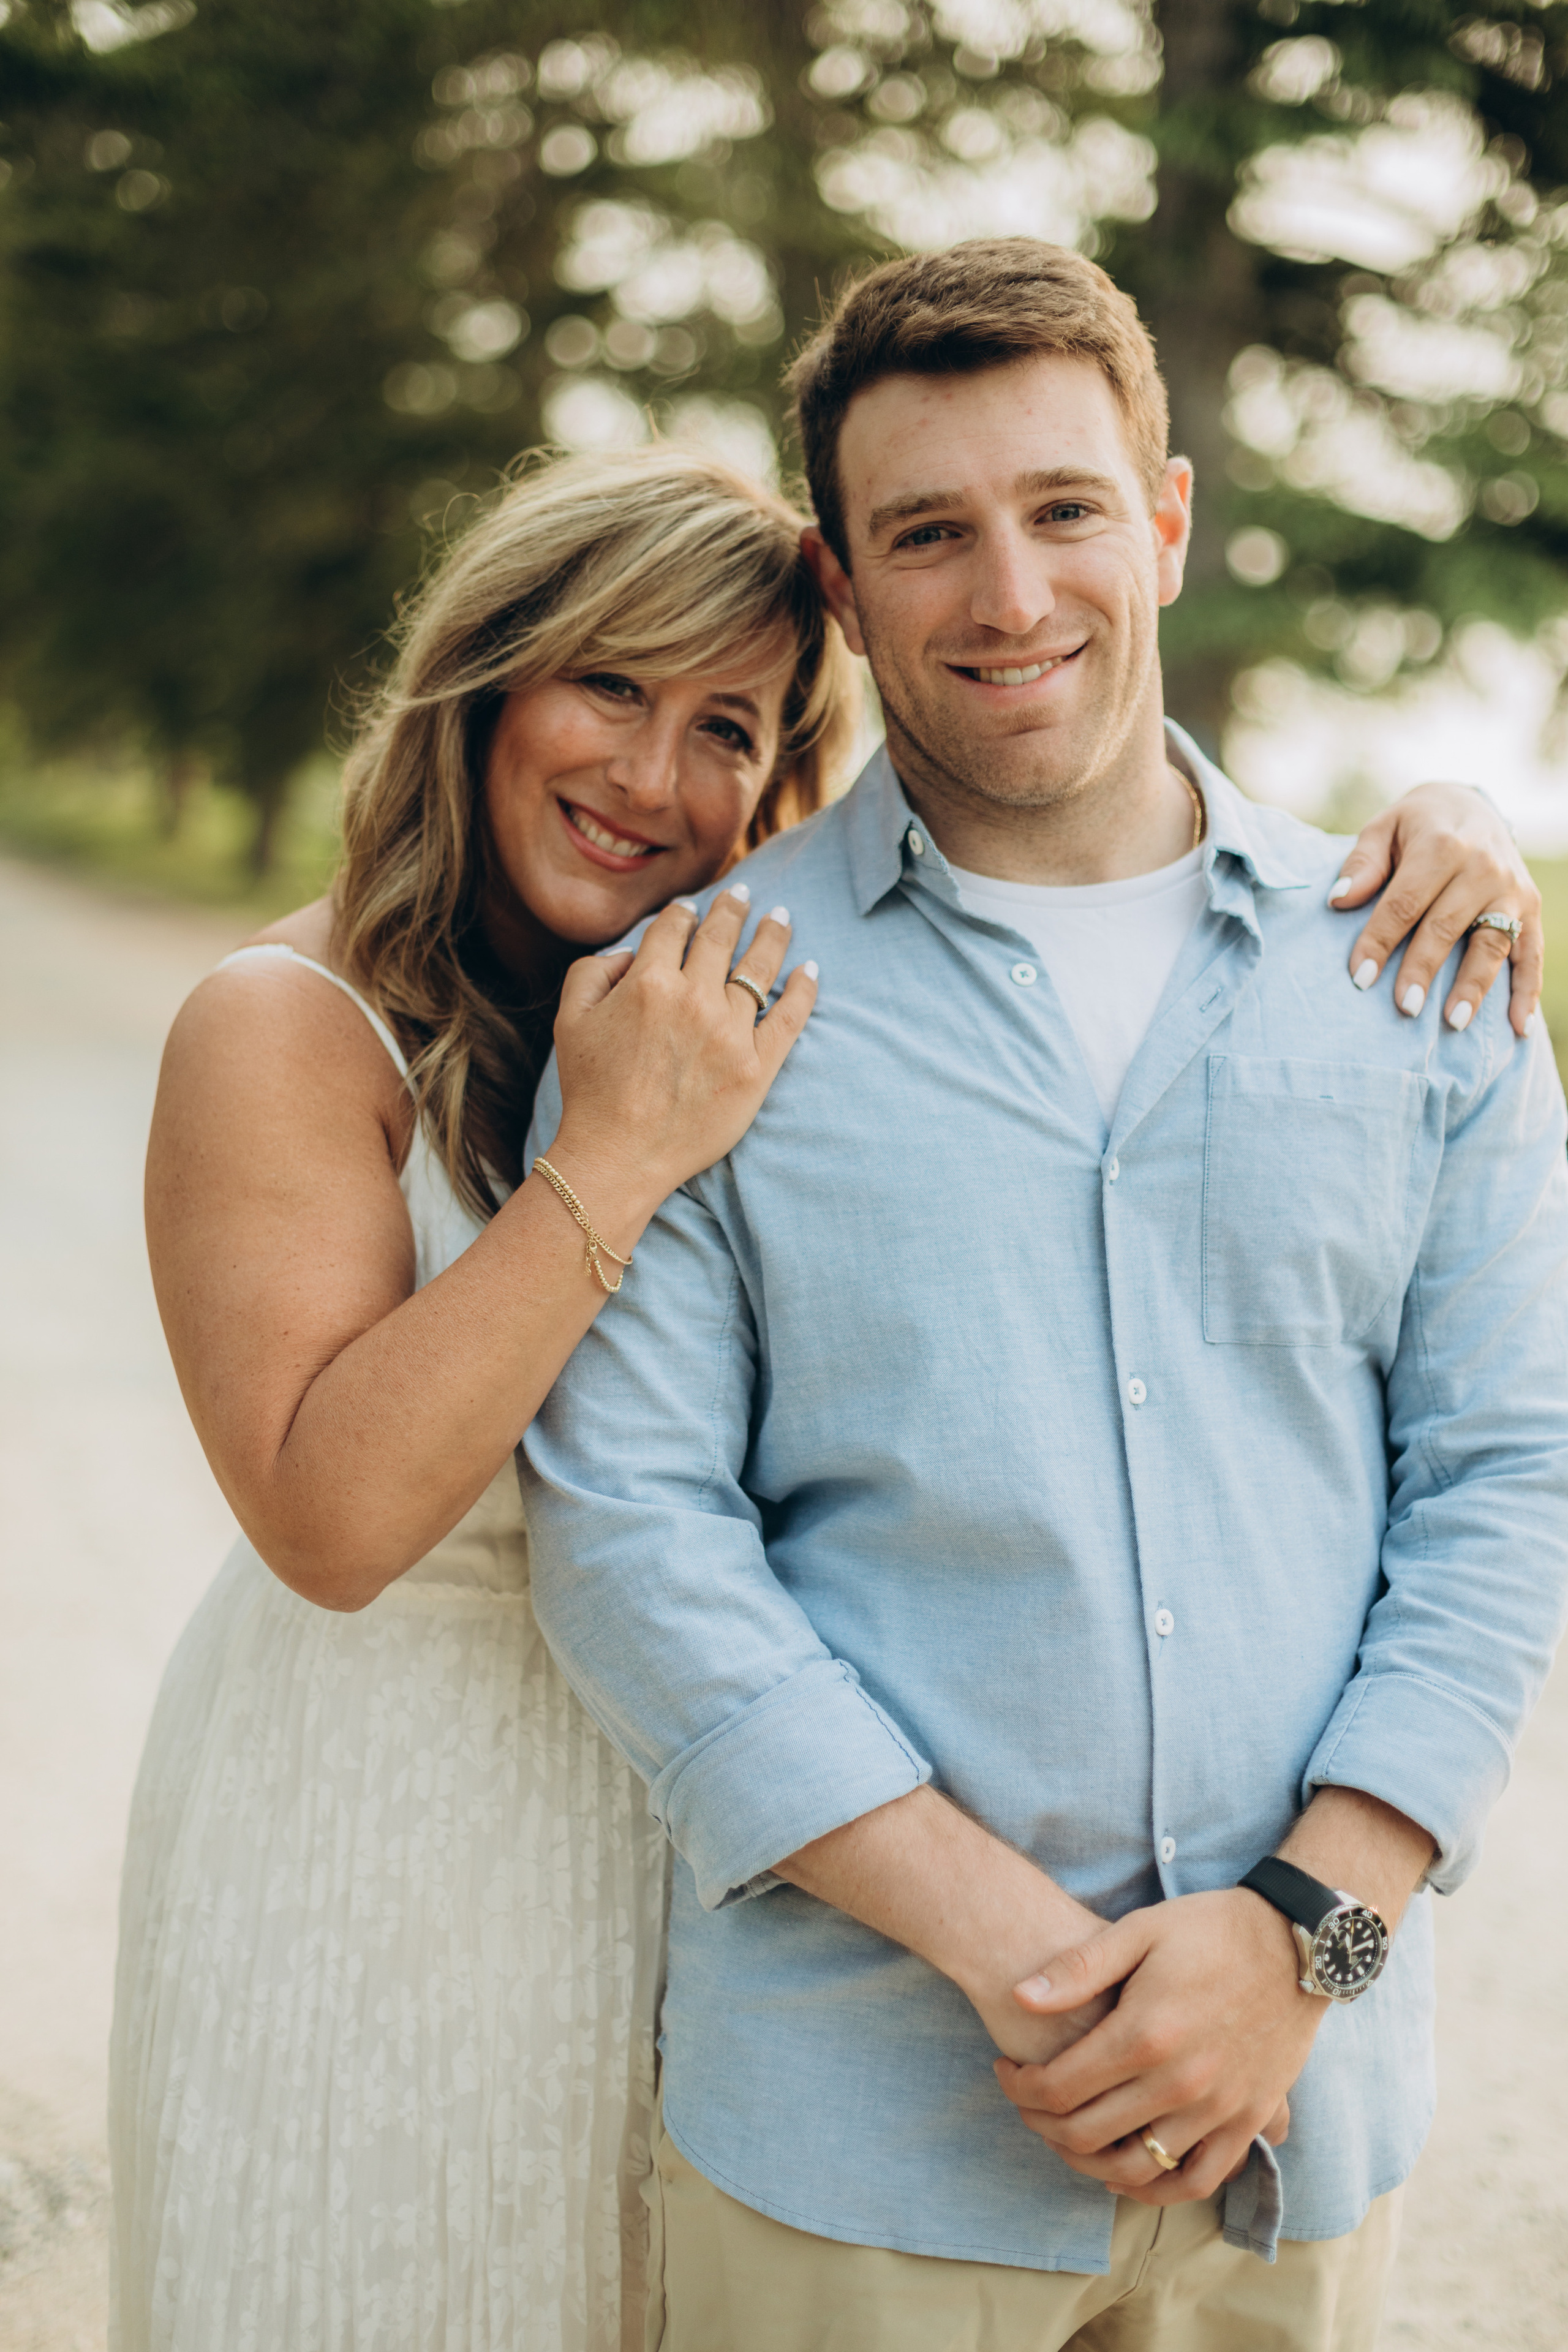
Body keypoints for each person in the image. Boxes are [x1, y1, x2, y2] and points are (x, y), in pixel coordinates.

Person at [111, 421, 1531, 2352]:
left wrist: (1444, 810)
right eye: (606, 685)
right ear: (483, 683)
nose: (649, 776)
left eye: (728, 728)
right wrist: (609, 1160)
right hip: (398, 1834)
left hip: (714, 1875)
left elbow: (1498, 1474)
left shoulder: (736, 991)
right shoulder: (292, 1024)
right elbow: (334, 1523)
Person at [518, 240, 1568, 2352]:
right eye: (930, 533)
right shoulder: (697, 999)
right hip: (854, 2139)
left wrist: (1303, 1940)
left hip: (1306, 2130)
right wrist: (1019, 1955)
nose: (1009, 595)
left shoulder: (1423, 982)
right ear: (845, 581)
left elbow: (1511, 1475)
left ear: (1164, 518)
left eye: (1065, 508)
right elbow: (633, 1530)